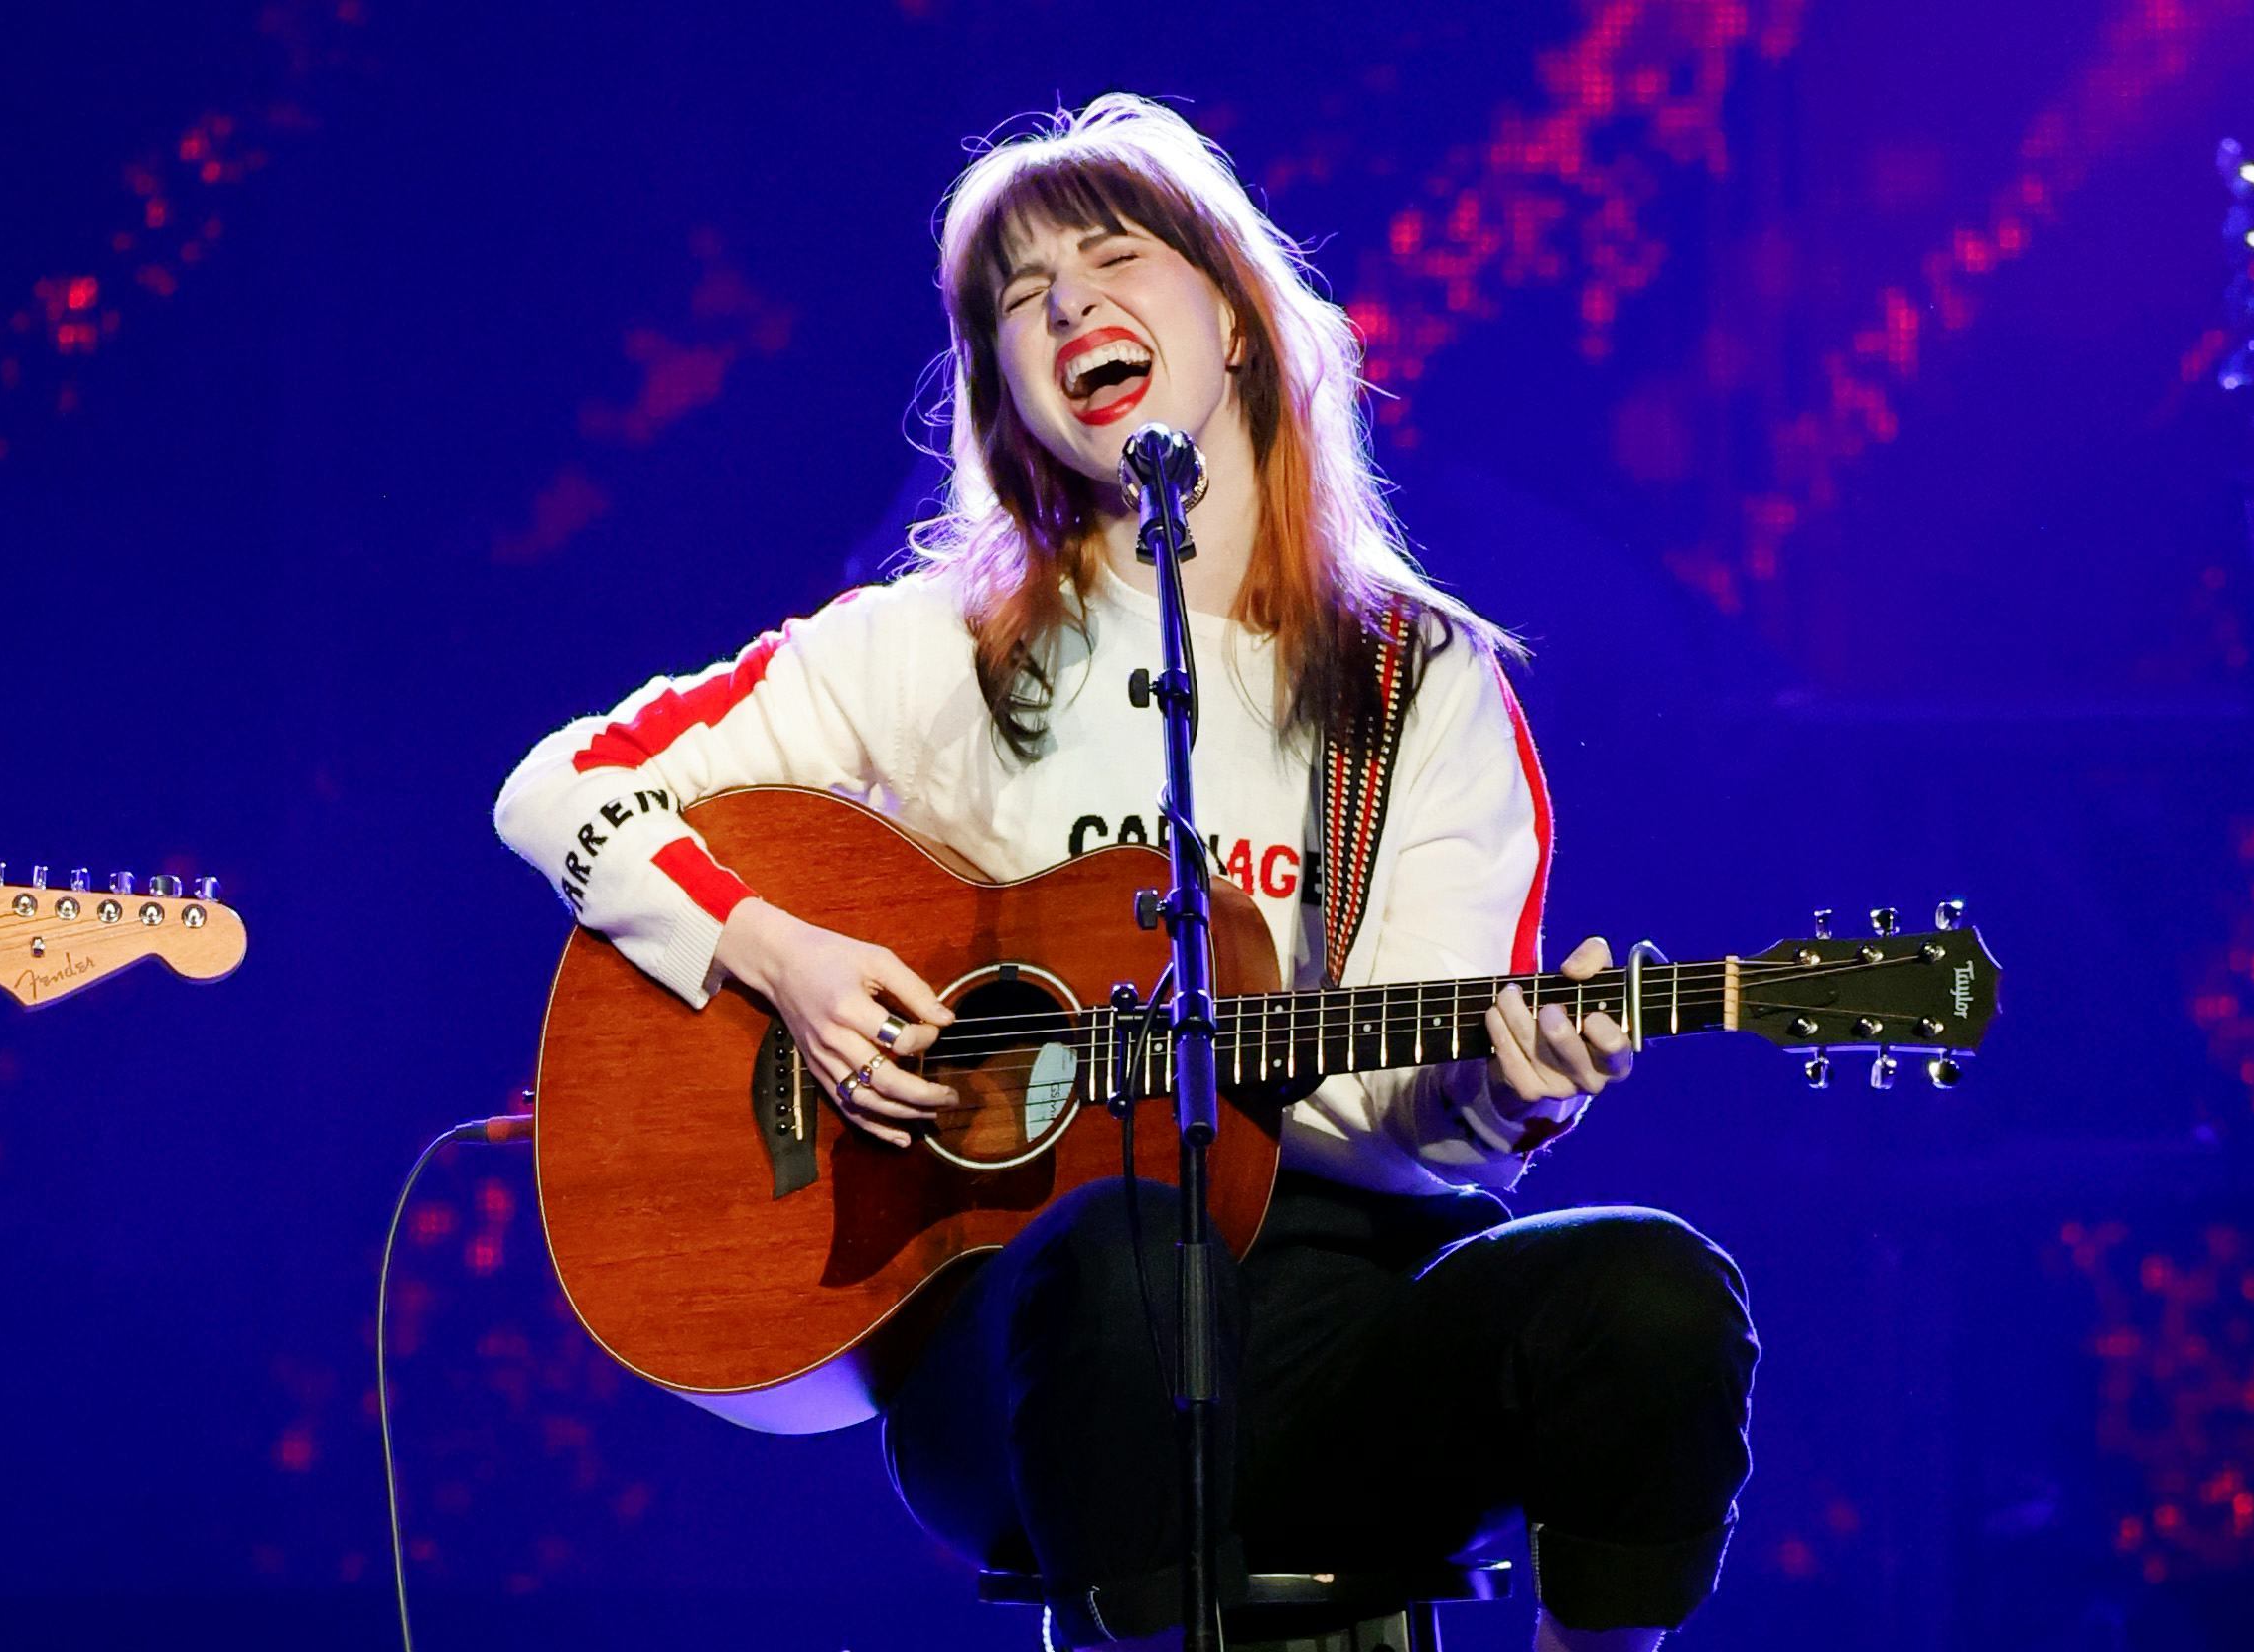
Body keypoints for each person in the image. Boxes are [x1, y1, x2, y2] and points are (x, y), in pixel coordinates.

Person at [493, 94, 1755, 1652]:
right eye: (1020, 300)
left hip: (1346, 1317)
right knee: (1120, 1260)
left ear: (1234, 321)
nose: (1069, 305)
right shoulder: (927, 645)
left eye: (1110, 260)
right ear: (1008, 395)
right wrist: (778, 953)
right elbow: (564, 787)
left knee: (1651, 1294)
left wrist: (1508, 1095)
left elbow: (1422, 1111)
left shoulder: (1413, 682)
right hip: (1030, 1339)